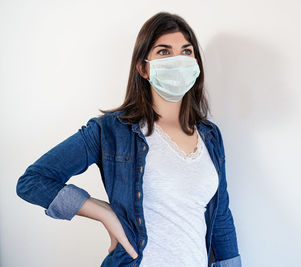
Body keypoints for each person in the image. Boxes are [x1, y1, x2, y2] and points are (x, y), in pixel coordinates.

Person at [16, 11, 242, 267]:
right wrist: (104, 213)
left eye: (186, 51)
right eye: (164, 52)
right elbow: (32, 182)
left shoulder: (210, 136)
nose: (178, 60)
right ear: (143, 68)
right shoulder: (111, 130)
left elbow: (221, 217)